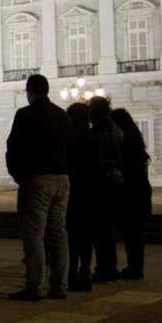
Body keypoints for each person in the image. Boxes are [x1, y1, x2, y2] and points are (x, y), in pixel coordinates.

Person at [6, 74, 71, 301]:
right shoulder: (63, 115)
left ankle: (35, 286)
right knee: (58, 233)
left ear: (29, 92)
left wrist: (18, 174)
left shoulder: (25, 115)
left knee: (34, 235)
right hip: (62, 179)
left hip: (36, 179)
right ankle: (60, 285)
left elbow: (13, 147)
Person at [111, 108, 152, 280]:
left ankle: (134, 269)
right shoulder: (136, 141)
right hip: (141, 191)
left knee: (131, 233)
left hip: (130, 193)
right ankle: (135, 267)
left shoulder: (124, 143)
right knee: (136, 234)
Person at [89, 97, 124, 283]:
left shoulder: (101, 131)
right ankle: (108, 267)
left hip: (102, 184)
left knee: (101, 231)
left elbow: (97, 157)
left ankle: (105, 269)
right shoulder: (115, 128)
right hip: (112, 183)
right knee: (106, 231)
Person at [65, 102, 94, 292]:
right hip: (91, 192)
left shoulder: (69, 139)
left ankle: (72, 274)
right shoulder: (93, 138)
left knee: (73, 235)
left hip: (73, 191)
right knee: (87, 236)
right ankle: (85, 273)